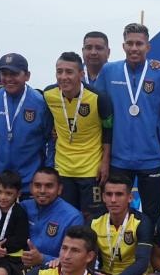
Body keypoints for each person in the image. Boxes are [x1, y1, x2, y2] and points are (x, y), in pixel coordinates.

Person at [94, 23, 160, 223]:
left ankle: (148, 253)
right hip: (118, 158)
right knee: (117, 210)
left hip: (151, 157)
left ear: (148, 46)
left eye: (139, 43)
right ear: (123, 46)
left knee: (151, 213)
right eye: (130, 43)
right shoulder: (109, 71)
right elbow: (96, 107)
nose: (134, 48)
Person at [43, 51, 113, 217]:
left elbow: (109, 131)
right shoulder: (48, 95)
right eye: (59, 72)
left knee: (92, 219)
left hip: (91, 169)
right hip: (63, 169)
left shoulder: (98, 98)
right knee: (66, 217)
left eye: (69, 72)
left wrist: (105, 162)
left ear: (81, 74)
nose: (63, 77)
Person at [0, 53, 54, 196]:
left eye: (14, 74)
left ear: (27, 75)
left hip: (32, 182)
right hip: (0, 182)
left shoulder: (40, 103)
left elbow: (50, 140)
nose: (9, 79)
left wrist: (47, 174)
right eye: (4, 74)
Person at [89, 175, 153, 275]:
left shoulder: (141, 222)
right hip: (107, 273)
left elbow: (143, 263)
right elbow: (85, 254)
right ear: (103, 197)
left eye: (119, 195)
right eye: (109, 194)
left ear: (130, 197)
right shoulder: (94, 222)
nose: (113, 200)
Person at [19, 167, 84, 271]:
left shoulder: (73, 217)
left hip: (54, 274)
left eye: (49, 186)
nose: (42, 191)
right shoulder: (23, 207)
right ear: (31, 188)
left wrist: (42, 259)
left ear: (59, 189)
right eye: (37, 185)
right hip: (18, 268)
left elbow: (74, 259)